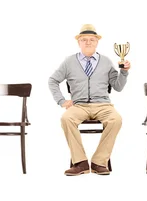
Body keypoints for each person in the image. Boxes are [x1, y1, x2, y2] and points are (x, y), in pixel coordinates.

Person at [48, 24, 131, 176]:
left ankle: (99, 161)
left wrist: (124, 72)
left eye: (92, 39)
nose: (88, 42)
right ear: (78, 42)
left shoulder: (106, 61)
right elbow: (52, 80)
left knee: (116, 119)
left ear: (97, 42)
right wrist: (61, 101)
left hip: (103, 105)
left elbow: (118, 87)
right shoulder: (69, 62)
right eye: (84, 39)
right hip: (79, 106)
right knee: (66, 118)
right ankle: (80, 163)